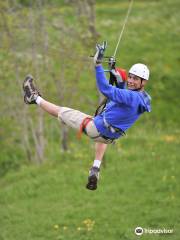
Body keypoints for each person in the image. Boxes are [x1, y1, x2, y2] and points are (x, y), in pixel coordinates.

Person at [22, 41, 151, 190]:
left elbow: (105, 89)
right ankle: (95, 168)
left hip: (95, 128)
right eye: (130, 77)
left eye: (135, 79)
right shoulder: (142, 99)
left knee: (61, 112)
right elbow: (125, 95)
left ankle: (33, 97)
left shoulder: (132, 98)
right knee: (103, 126)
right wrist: (116, 73)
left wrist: (97, 66)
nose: (131, 81)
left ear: (144, 82)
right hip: (108, 136)